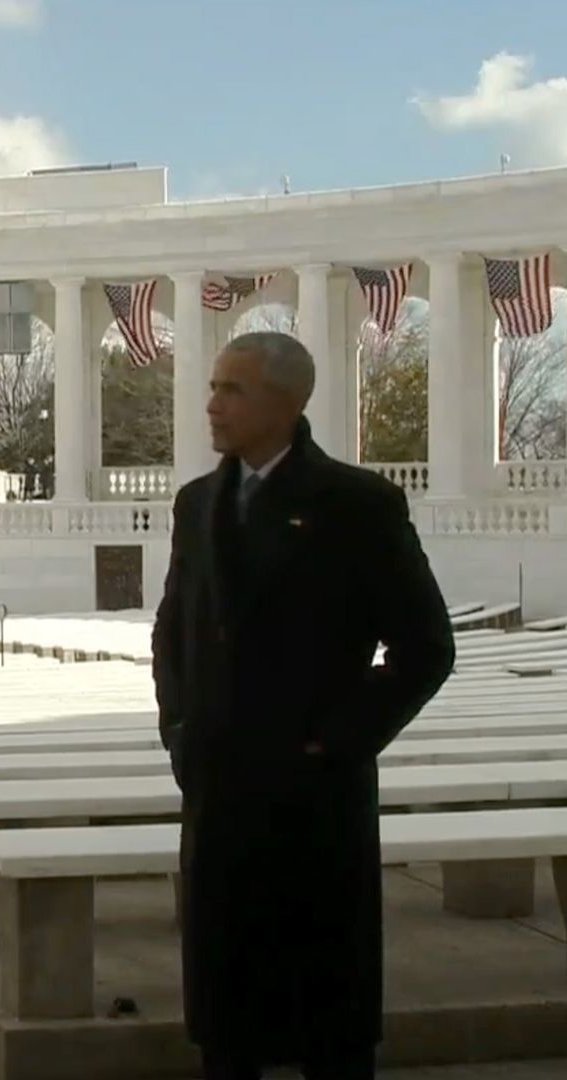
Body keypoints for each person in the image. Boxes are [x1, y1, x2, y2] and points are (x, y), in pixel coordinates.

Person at [153, 331, 455, 1080]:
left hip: (313, 800)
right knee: (227, 1024)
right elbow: (172, 632)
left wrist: (336, 743)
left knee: (328, 1019)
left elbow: (425, 648)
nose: (212, 404)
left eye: (233, 390)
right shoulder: (197, 504)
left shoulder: (357, 504)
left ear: (286, 405)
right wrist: (181, 732)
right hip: (220, 793)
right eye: (215, 385)